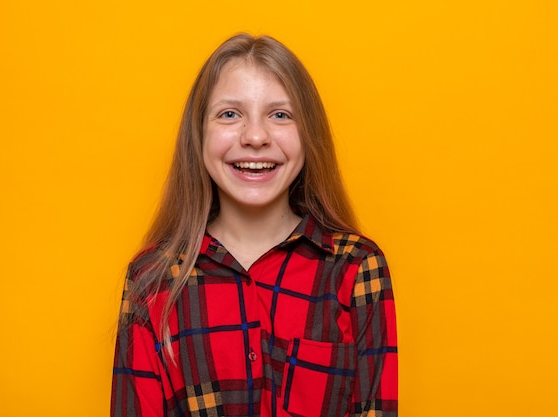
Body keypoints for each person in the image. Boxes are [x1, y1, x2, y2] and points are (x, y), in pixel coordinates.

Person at [111, 33, 398, 417]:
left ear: (308, 135)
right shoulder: (152, 280)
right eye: (230, 114)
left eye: (280, 115)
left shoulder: (355, 268)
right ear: (198, 136)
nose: (256, 137)